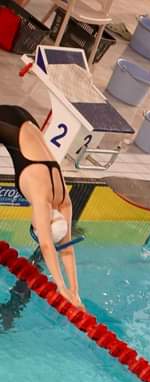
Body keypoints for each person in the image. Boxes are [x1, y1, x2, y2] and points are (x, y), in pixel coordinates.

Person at [0, 105, 81, 307]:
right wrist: (60, 286)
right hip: (6, 123)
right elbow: (47, 245)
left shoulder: (64, 201)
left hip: (24, 118)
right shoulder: (42, 198)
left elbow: (67, 248)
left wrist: (74, 291)